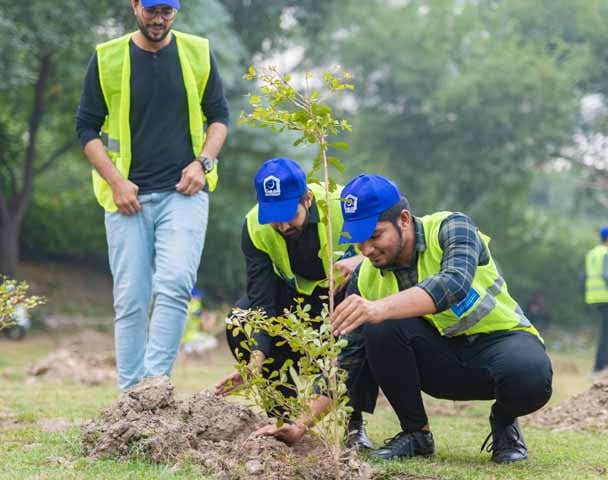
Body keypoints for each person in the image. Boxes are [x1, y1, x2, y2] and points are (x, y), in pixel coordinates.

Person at [255, 174, 553, 464]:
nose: (367, 250)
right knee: (377, 329)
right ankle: (416, 434)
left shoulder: (452, 227)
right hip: (442, 367)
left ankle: (503, 421)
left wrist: (380, 308)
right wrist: (299, 425)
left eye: (375, 236)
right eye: (359, 241)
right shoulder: (367, 277)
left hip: (502, 346)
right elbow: (347, 360)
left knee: (531, 376)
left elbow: (454, 283)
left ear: (405, 220)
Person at [75, 0, 229, 391]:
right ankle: (131, 397)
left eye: (167, 11)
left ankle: (154, 386)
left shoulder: (197, 52)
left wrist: (203, 164)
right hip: (128, 198)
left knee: (176, 282)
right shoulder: (107, 57)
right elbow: (86, 129)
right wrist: (115, 182)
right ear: (135, 5)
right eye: (151, 10)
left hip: (184, 192)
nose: (158, 19)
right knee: (131, 299)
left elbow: (219, 118)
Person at [213, 158, 376, 449]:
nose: (283, 224)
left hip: (343, 296)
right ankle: (282, 417)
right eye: (274, 216)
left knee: (358, 321)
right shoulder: (255, 226)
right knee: (241, 319)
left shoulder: (341, 206)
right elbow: (263, 301)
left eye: (289, 214)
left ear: (308, 199)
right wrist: (255, 361)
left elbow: (389, 244)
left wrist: (360, 260)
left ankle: (354, 425)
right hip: (295, 299)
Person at [585, 225, 608, 372]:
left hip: (595, 296)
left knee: (605, 333)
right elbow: (606, 276)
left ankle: (600, 367)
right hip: (606, 297)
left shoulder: (593, 253)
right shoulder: (606, 252)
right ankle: (600, 368)